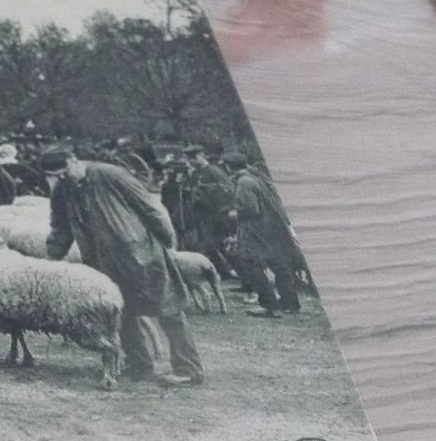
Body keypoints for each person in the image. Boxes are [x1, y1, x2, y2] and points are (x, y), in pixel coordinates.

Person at [42, 145, 204, 386]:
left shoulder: (111, 175)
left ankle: (188, 369)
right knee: (120, 313)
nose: (62, 179)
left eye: (65, 172)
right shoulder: (62, 191)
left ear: (74, 160)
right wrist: (51, 258)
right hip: (102, 262)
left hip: (141, 256)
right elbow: (61, 227)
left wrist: (168, 242)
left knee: (168, 309)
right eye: (56, 177)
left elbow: (151, 208)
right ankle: (139, 365)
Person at [224, 153, 301, 318]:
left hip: (254, 230)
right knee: (279, 265)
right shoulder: (255, 178)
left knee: (250, 264)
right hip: (270, 229)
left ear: (229, 167)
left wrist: (233, 214)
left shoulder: (243, 182)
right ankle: (290, 303)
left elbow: (251, 209)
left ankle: (270, 306)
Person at [184, 145, 236, 279]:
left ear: (202, 155)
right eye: (189, 158)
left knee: (225, 245)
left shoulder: (214, 171)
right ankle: (223, 272)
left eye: (194, 157)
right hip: (204, 215)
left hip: (218, 214)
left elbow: (228, 190)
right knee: (209, 245)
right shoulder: (195, 173)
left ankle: (242, 273)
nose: (191, 161)